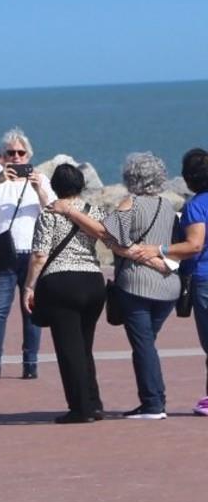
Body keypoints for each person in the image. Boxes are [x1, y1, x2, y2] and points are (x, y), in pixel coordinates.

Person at [55, 152, 180, 419]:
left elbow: (109, 234)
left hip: (137, 285)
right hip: (168, 288)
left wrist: (71, 211)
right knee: (148, 345)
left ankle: (153, 404)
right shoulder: (167, 207)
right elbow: (176, 247)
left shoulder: (129, 204)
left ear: (130, 176)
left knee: (143, 346)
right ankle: (155, 399)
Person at [127, 148, 208, 415]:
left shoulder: (197, 205)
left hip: (203, 278)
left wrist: (158, 250)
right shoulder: (183, 205)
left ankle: (157, 401)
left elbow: (194, 245)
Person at [0, 127, 53, 382]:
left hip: (32, 256)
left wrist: (39, 190)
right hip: (2, 255)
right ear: (3, 156)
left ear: (29, 155)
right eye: (11, 153)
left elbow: (53, 212)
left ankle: (30, 363)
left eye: (21, 153)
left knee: (31, 309)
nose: (16, 157)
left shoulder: (41, 180)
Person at [24, 164, 106, 423]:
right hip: (93, 281)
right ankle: (94, 402)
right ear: (81, 185)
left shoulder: (49, 214)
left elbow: (39, 255)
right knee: (85, 346)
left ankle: (80, 408)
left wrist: (29, 286)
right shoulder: (95, 211)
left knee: (69, 350)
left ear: (55, 187)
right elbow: (104, 235)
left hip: (61, 283)